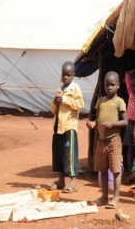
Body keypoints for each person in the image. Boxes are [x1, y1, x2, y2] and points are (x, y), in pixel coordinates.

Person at [86, 71, 128, 209]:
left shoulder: (119, 102)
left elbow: (125, 121)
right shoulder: (101, 101)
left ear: (118, 86)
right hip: (101, 140)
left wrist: (112, 124)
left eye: (112, 85)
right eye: (107, 85)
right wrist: (93, 124)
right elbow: (99, 118)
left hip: (113, 140)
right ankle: (104, 196)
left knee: (115, 170)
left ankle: (115, 198)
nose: (109, 87)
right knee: (102, 169)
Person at [48, 61, 84, 193]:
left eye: (68, 75)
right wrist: (55, 102)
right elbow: (52, 110)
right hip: (58, 126)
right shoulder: (59, 89)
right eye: (64, 74)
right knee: (58, 154)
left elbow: (80, 104)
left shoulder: (75, 88)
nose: (66, 77)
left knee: (69, 154)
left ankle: (73, 181)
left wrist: (65, 100)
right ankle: (61, 180)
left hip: (69, 126)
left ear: (73, 75)